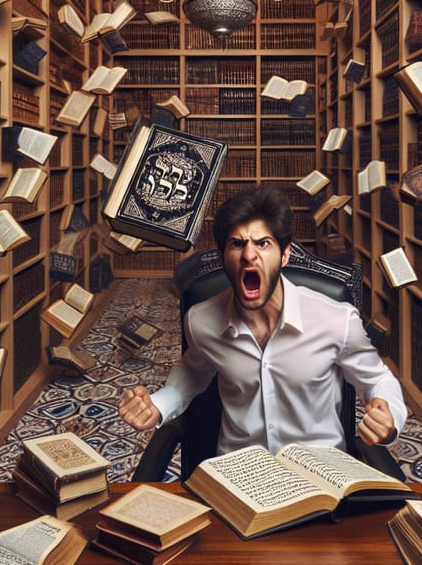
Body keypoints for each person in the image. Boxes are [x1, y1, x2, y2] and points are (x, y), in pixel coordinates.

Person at [118, 185, 406, 455]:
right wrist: (158, 404)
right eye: (236, 244)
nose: (249, 254)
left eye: (263, 243)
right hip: (240, 476)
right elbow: (194, 371)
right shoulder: (201, 321)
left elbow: (378, 379)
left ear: (285, 255)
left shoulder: (336, 319)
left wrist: (389, 414)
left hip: (320, 478)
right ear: (222, 257)